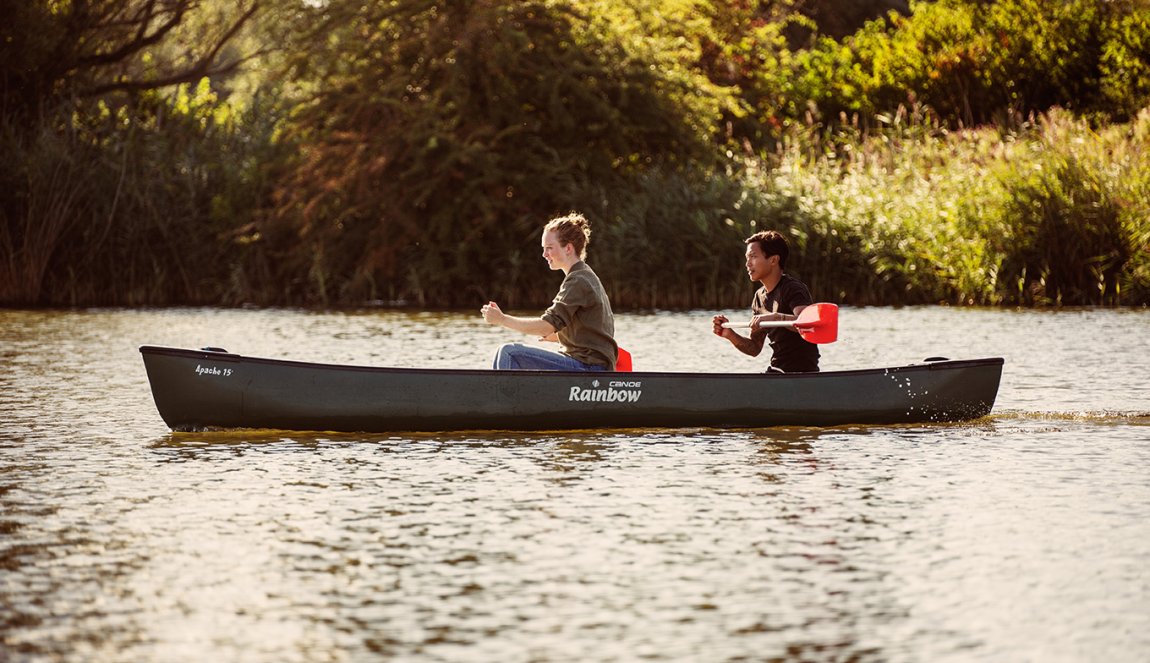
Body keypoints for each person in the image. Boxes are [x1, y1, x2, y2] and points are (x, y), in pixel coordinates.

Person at [481, 213, 618, 371]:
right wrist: (560, 337)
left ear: (568, 248)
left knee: (508, 353)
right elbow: (590, 329)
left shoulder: (578, 280)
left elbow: (547, 325)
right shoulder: (585, 275)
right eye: (543, 249)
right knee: (503, 353)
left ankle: (498, 396)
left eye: (549, 248)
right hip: (589, 365)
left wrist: (502, 319)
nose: (544, 254)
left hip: (590, 369)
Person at [712, 230, 820, 373]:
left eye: (753, 256)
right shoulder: (758, 297)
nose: (747, 264)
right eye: (747, 258)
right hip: (777, 371)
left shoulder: (793, 288)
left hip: (802, 374)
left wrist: (775, 317)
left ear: (773, 260)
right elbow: (754, 348)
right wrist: (729, 334)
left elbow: (806, 323)